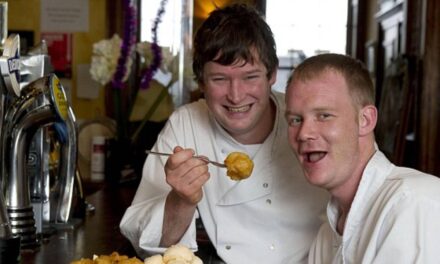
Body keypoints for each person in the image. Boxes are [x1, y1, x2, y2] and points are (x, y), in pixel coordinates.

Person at [120, 3, 328, 264]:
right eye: (219, 79)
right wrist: (182, 200)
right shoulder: (186, 125)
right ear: (201, 82)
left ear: (272, 75)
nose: (236, 95)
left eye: (250, 77)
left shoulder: (306, 119)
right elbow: (147, 244)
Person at [285, 53, 440, 263]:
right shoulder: (325, 236)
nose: (304, 133)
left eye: (324, 115)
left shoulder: (415, 203)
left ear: (365, 120)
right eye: (295, 119)